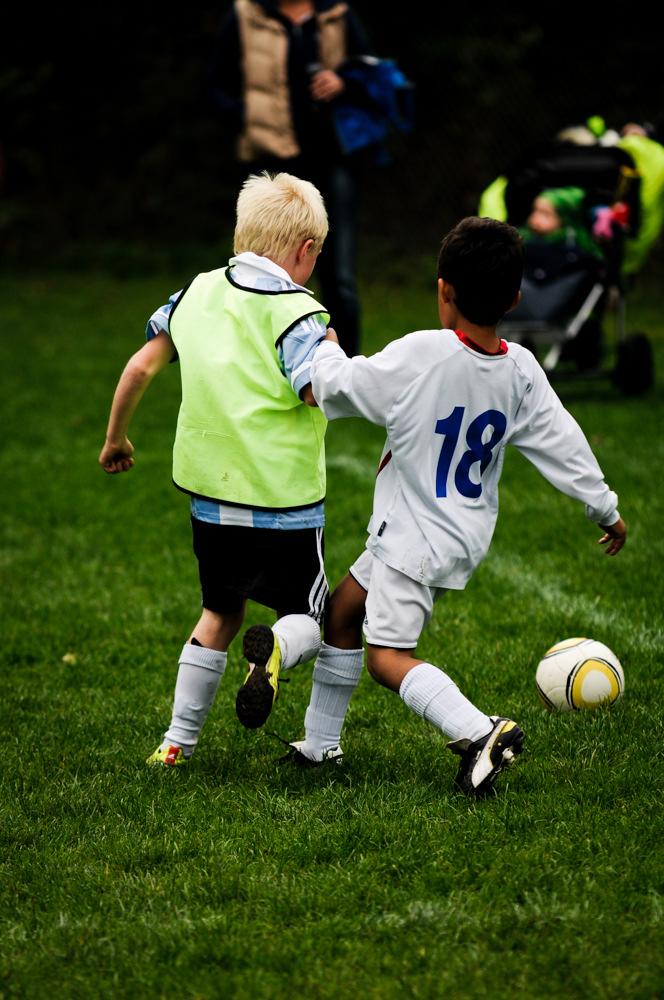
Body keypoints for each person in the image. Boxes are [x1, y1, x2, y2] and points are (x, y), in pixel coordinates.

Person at [279, 216, 627, 798]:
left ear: (443, 289)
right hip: (456, 535)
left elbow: (344, 388)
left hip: (412, 537)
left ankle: (480, 732)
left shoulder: (424, 353)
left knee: (388, 656)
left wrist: (322, 352)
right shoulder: (521, 369)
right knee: (343, 612)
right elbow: (564, 442)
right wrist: (604, 507)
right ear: (515, 298)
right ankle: (320, 745)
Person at [99, 171, 332, 766]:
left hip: (210, 498)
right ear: (306, 251)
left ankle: (176, 744)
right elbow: (316, 390)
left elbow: (140, 369)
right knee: (312, 616)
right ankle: (277, 648)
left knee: (219, 613)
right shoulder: (297, 312)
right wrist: (333, 352)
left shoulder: (194, 293)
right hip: (284, 501)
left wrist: (116, 439)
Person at [210, 0, 377, 358]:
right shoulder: (245, 14)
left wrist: (342, 81)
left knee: (339, 277)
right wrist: (250, 120)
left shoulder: (337, 14)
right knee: (257, 267)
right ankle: (254, 360)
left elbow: (373, 77)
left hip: (333, 162)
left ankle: (342, 370)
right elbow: (216, 86)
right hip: (270, 166)